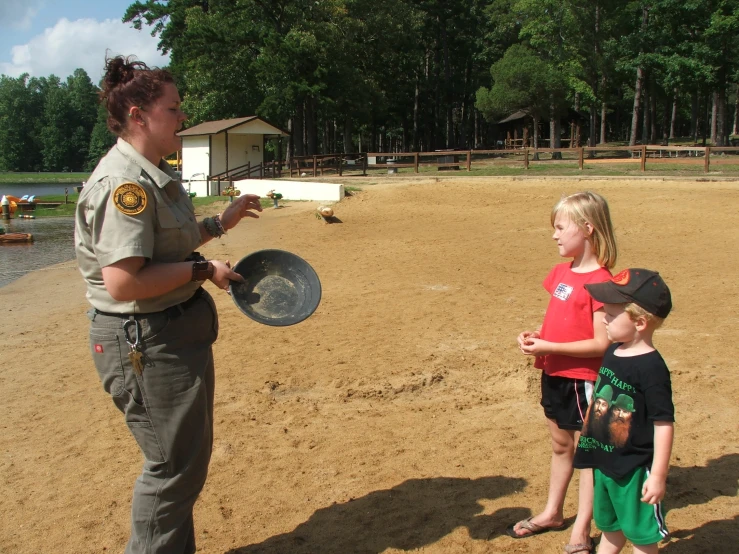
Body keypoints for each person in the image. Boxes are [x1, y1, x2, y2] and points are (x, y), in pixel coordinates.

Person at [74, 55, 263, 553]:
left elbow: (166, 249)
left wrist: (221, 223)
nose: (183, 117)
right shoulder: (125, 186)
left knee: (184, 464)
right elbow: (122, 282)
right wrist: (205, 270)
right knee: (171, 469)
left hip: (172, 336)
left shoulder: (153, 173)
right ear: (139, 115)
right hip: (145, 343)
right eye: (174, 109)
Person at [508, 191, 618, 554]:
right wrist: (539, 337)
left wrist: (550, 347)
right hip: (553, 372)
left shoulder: (602, 283)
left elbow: (601, 343)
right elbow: (562, 323)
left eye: (560, 227)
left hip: (582, 380)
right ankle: (553, 513)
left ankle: (582, 529)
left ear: (587, 229)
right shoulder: (560, 272)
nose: (554, 235)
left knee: (587, 452)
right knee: (560, 445)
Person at [574, 268, 674, 554]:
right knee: (611, 528)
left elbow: (663, 423)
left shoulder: (652, 369)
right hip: (605, 463)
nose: (603, 316)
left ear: (640, 322)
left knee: (642, 538)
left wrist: (657, 475)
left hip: (634, 469)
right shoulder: (613, 350)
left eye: (612, 313)